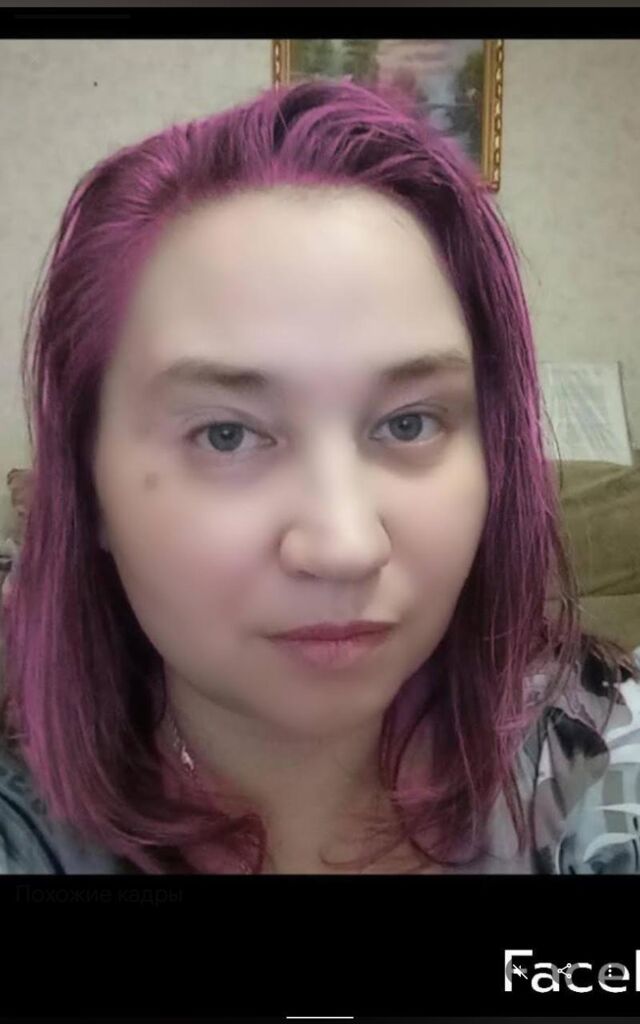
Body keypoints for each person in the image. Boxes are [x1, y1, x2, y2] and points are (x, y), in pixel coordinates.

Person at [0, 79, 638, 876]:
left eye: (409, 422)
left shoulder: (597, 757)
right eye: (228, 434)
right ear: (88, 483)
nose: (344, 547)